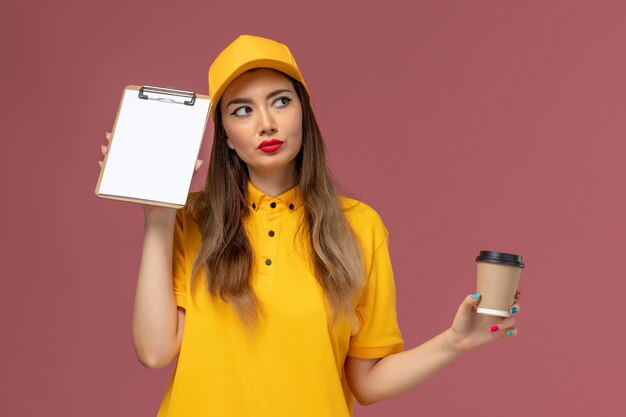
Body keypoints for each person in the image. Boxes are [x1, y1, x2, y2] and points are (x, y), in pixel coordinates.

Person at [99, 35, 521, 417]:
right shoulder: (190, 219)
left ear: (304, 111)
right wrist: (158, 217)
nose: (266, 122)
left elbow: (367, 383)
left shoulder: (360, 226)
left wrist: (455, 341)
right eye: (242, 110)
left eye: (281, 101)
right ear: (225, 135)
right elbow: (154, 351)